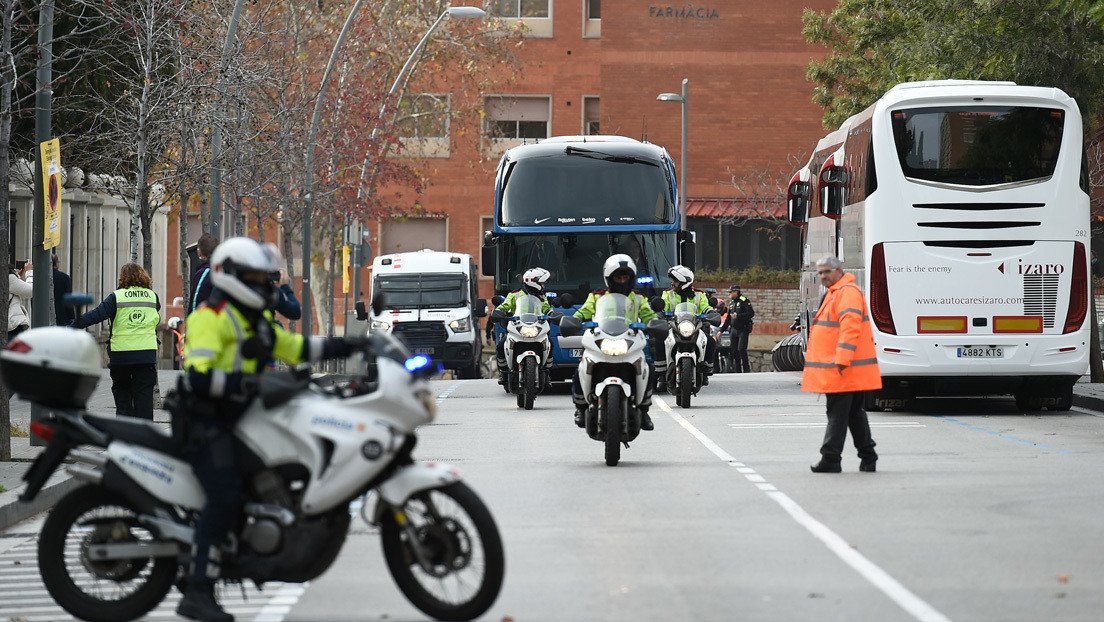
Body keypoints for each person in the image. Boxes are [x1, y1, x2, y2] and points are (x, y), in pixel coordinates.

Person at [176, 237, 369, 621]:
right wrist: (246, 385)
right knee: (226, 495)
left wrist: (352, 345)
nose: (264, 286)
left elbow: (296, 348)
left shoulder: (255, 320)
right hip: (205, 421)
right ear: (230, 278)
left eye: (266, 278)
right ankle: (197, 590)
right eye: (255, 278)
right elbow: (197, 378)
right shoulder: (208, 319)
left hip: (241, 419)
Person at [801, 256, 881, 474]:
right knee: (854, 414)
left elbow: (850, 327)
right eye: (820, 273)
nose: (823, 276)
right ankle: (868, 456)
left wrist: (842, 359)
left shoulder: (846, 293)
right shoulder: (839, 292)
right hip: (847, 368)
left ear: (839, 270)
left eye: (827, 271)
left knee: (837, 414)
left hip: (842, 368)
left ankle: (831, 458)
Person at [571, 254, 659, 431]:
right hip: (602, 340)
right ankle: (580, 408)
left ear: (631, 278)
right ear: (609, 279)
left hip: (629, 341)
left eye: (625, 277)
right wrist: (574, 321)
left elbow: (650, 316)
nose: (622, 281)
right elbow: (582, 314)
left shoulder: (639, 298)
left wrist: (656, 324)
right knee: (580, 368)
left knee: (648, 366)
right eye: (618, 277)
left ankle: (644, 409)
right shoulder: (596, 297)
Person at [72, 264, 161, 420]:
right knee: (144, 397)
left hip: (122, 355)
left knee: (123, 395)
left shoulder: (117, 296)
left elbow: (96, 315)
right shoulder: (153, 296)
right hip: (146, 355)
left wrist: (71, 326)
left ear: (123, 277)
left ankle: (124, 435)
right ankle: (144, 438)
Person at [656, 265, 717, 390]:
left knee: (710, 341)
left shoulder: (699, 295)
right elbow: (663, 306)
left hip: (693, 328)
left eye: (676, 281)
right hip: (673, 327)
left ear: (684, 282)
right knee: (659, 340)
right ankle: (662, 375)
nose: (673, 283)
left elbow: (706, 307)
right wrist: (659, 312)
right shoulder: (668, 294)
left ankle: (706, 371)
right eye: (673, 280)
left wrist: (711, 313)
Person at [494, 267, 552, 386]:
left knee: (551, 343)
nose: (543, 286)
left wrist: (552, 313)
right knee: (500, 346)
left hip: (537, 327)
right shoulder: (514, 295)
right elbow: (505, 306)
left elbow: (546, 308)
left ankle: (546, 373)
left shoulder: (542, 297)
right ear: (534, 282)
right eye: (541, 283)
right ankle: (504, 373)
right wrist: (499, 311)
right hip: (518, 327)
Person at [187, 233, 218, 315]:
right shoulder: (220, 271)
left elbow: (195, 303)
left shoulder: (204, 273)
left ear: (199, 252)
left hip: (204, 323)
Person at [729, 284, 755, 373]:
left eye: (731, 292)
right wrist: (721, 331)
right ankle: (738, 371)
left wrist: (738, 316)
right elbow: (729, 318)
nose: (730, 294)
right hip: (733, 330)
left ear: (736, 292)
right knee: (734, 350)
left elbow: (751, 313)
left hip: (743, 329)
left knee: (741, 349)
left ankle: (746, 370)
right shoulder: (731, 303)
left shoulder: (744, 300)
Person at [7, 262, 32, 341]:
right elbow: (30, 291)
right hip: (12, 326)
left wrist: (17, 277)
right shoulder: (9, 278)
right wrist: (29, 272)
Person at [52, 253, 73, 326]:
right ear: (56, 264)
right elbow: (68, 300)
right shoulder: (64, 278)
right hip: (62, 317)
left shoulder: (39, 277)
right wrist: (72, 317)